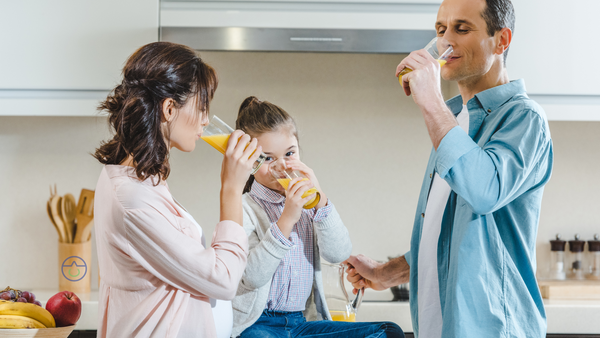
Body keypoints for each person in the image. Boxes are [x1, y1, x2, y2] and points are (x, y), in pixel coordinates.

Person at [345, 0, 553, 337]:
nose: (445, 41)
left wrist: (431, 100)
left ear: (501, 40)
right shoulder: (456, 119)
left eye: (462, 28)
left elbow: (483, 191)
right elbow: (452, 238)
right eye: (441, 30)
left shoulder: (524, 119)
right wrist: (388, 273)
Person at [93, 42, 262, 338]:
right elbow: (223, 280)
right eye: (202, 107)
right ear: (169, 108)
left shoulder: (140, 181)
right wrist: (232, 188)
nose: (207, 120)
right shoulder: (132, 199)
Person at [231, 96, 404, 338]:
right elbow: (250, 277)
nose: (281, 166)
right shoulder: (242, 207)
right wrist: (286, 221)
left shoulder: (309, 205)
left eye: (289, 153)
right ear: (249, 160)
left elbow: (339, 253)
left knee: (389, 332)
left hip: (302, 323)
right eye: (267, 158)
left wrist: (321, 201)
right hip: (257, 325)